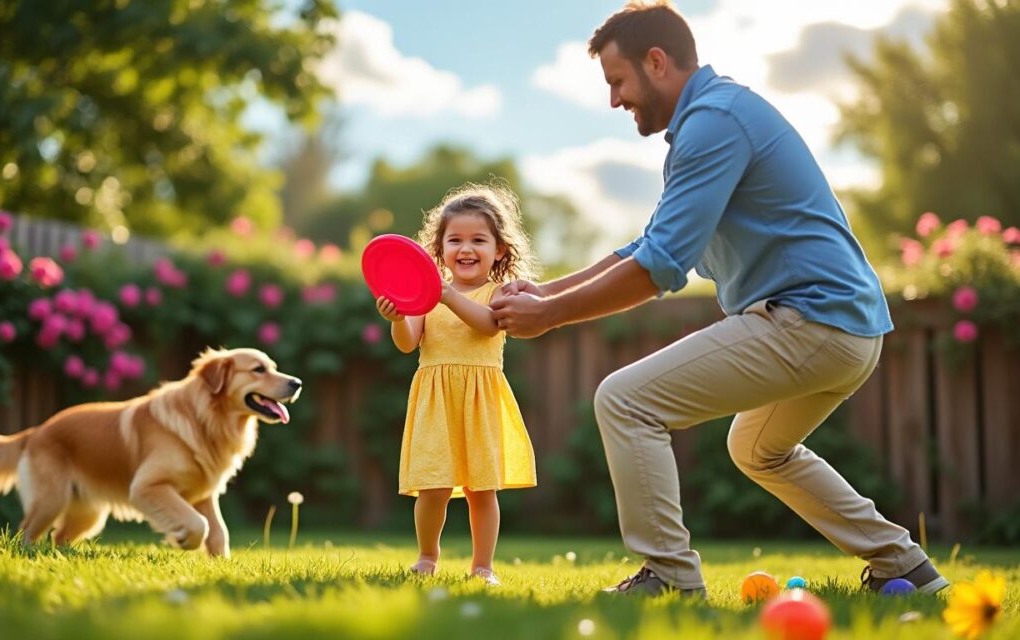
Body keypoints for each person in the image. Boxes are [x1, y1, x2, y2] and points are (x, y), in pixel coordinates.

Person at [490, 1, 948, 598]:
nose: (614, 100)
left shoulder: (715, 123)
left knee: (626, 402)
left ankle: (670, 580)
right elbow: (648, 243)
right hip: (849, 329)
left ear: (657, 62)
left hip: (810, 319)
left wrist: (549, 315)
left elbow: (657, 267)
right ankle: (904, 565)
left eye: (618, 81)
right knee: (757, 448)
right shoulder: (712, 120)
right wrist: (546, 289)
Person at [375, 183, 539, 587]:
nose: (466, 249)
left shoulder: (499, 292)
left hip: (479, 399)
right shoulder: (425, 296)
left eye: (478, 240)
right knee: (432, 486)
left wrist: (446, 294)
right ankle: (427, 557)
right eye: (455, 240)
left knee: (482, 490)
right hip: (436, 399)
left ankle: (483, 567)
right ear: (439, 248)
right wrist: (397, 317)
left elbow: (487, 327)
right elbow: (408, 342)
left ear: (499, 249)